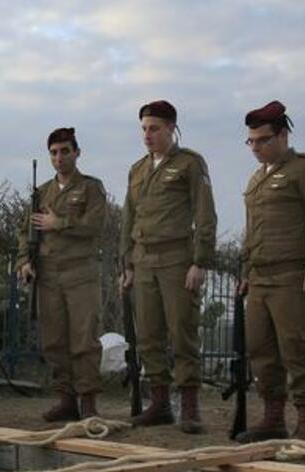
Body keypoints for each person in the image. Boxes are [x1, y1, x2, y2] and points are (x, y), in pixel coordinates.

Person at [235, 100, 305, 444]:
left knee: (296, 348)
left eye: (262, 140)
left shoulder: (304, 169)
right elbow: (253, 230)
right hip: (261, 278)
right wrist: (248, 270)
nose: (255, 148)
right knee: (261, 350)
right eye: (250, 141)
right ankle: (273, 419)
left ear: (282, 134)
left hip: (293, 275)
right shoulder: (256, 178)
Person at [119, 100, 217, 434]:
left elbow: (205, 214)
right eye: (144, 128)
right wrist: (127, 263)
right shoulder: (137, 169)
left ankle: (189, 406)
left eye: (155, 128)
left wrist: (200, 261)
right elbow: (128, 218)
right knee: (148, 336)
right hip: (143, 261)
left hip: (177, 259)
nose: (147, 135)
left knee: (183, 332)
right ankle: (159, 404)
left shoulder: (189, 163)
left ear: (172, 128)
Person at [16, 127, 107, 421]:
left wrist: (60, 223)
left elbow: (95, 225)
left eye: (65, 151)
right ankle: (66, 399)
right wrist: (24, 262)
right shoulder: (41, 193)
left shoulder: (91, 187)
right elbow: (25, 233)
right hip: (49, 275)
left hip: (80, 273)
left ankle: (89, 402)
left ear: (77, 152)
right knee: (54, 341)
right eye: (53, 153)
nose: (59, 157)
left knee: (84, 340)